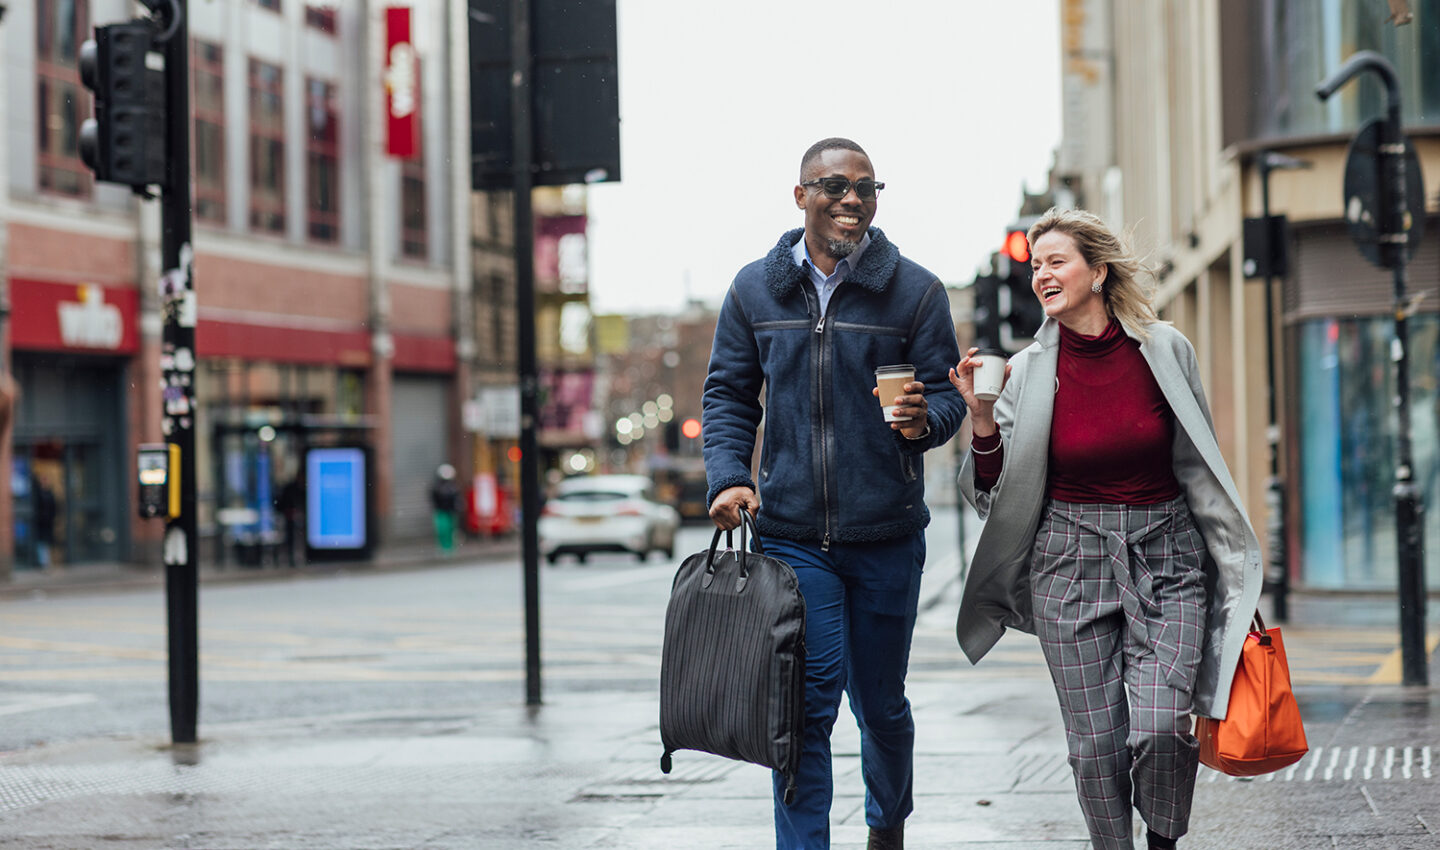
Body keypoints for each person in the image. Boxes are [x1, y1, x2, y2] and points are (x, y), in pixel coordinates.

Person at [948, 207, 1262, 850]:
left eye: (1056, 262)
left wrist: (1232, 567)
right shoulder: (1026, 373)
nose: (1042, 276)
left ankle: (1163, 839)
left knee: (1162, 726)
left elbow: (1200, 461)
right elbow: (989, 495)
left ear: (1097, 270)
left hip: (1168, 555)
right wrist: (981, 419)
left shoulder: (1166, 349)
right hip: (1068, 562)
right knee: (1095, 748)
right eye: (1035, 266)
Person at [703, 137, 967, 850]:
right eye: (834, 186)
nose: (852, 200)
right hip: (791, 538)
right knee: (805, 704)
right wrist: (729, 477)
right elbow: (729, 394)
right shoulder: (753, 290)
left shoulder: (915, 290)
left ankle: (887, 826)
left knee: (879, 706)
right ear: (801, 197)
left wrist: (922, 421)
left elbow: (948, 399)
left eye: (867, 188)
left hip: (885, 534)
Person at [429, 464, 460, 553]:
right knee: (442, 530)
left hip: (450, 512)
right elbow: (434, 498)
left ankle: (450, 548)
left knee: (451, 530)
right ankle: (443, 547)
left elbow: (457, 498)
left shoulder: (453, 486)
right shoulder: (437, 487)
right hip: (441, 512)